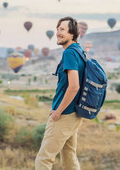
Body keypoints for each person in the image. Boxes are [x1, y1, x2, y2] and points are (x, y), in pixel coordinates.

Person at [35, 17, 85, 170]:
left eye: (62, 29)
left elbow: (74, 86)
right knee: (69, 157)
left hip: (64, 115)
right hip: (75, 114)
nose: (57, 33)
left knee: (43, 160)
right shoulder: (79, 51)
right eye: (57, 29)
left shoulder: (69, 53)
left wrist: (58, 111)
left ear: (72, 34)